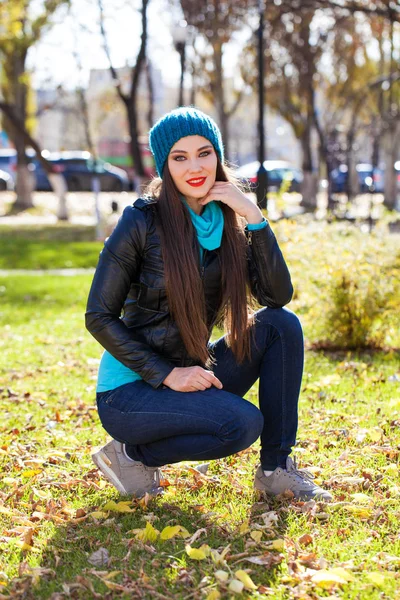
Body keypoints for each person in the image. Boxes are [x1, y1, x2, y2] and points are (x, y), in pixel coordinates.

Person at [85, 107, 332, 502]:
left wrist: (253, 216)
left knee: (281, 325)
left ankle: (275, 471)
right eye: (179, 158)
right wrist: (167, 374)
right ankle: (131, 455)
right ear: (165, 166)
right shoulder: (141, 221)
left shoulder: (229, 218)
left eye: (204, 153)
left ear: (218, 156)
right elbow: (98, 316)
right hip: (131, 391)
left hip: (191, 369)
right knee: (240, 423)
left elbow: (276, 297)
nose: (195, 167)